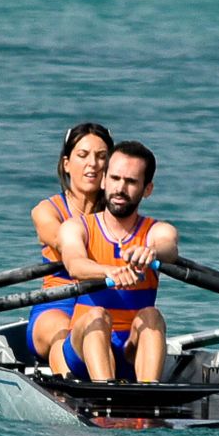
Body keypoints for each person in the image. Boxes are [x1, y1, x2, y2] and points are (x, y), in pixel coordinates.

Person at [54, 140, 178, 382]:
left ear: (147, 189)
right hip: (83, 349)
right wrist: (110, 271)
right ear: (103, 181)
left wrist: (151, 252)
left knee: (152, 316)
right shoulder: (77, 227)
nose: (120, 188)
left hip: (132, 349)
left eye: (131, 182)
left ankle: (148, 394)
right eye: (115, 178)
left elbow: (170, 247)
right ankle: (106, 393)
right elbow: (75, 263)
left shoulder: (156, 231)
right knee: (96, 316)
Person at [27, 122, 113, 361]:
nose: (92, 164)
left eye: (101, 156)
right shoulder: (47, 211)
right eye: (83, 155)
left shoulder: (120, 215)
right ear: (66, 164)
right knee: (65, 335)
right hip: (57, 304)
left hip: (104, 304)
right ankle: (65, 381)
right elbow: (64, 243)